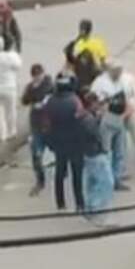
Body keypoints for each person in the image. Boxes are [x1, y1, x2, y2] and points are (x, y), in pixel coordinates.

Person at [90, 62, 135, 191]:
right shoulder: (100, 82)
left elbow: (131, 97)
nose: (118, 73)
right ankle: (105, 179)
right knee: (106, 151)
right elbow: (93, 100)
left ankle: (116, 179)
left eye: (119, 70)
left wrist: (126, 113)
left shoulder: (124, 80)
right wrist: (100, 111)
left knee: (120, 151)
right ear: (110, 70)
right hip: (107, 119)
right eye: (115, 70)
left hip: (121, 118)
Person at [46, 74, 84, 211]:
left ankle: (60, 203)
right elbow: (81, 120)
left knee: (60, 173)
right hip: (75, 143)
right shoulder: (75, 101)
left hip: (59, 143)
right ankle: (79, 203)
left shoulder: (50, 101)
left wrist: (49, 141)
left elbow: (47, 124)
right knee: (77, 175)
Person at [78, 92, 114, 225]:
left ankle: (90, 208)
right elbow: (96, 134)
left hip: (87, 154)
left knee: (92, 183)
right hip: (96, 154)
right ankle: (100, 213)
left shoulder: (82, 116)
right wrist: (100, 118)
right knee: (106, 183)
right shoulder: (89, 120)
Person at [21, 64, 53, 196]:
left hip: (51, 125)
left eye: (39, 75)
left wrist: (45, 102)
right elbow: (24, 101)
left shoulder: (50, 85)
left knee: (60, 150)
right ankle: (40, 181)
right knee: (36, 154)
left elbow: (55, 97)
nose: (37, 78)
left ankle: (62, 172)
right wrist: (30, 93)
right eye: (35, 76)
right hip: (36, 125)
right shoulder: (30, 87)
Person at [65, 20, 107, 92]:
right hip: (89, 74)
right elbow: (103, 62)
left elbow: (69, 62)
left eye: (82, 29)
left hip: (86, 75)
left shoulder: (77, 44)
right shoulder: (97, 42)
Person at [0, 37, 22, 141]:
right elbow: (18, 66)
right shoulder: (11, 57)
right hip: (9, 87)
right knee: (11, 110)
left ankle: (2, 134)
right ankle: (12, 131)